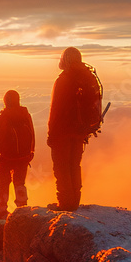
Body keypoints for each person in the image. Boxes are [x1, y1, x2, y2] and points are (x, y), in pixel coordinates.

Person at [46, 47, 103, 211]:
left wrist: (51, 134)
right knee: (74, 166)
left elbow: (56, 109)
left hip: (63, 131)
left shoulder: (64, 79)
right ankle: (74, 202)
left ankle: (65, 203)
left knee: (62, 168)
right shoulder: (88, 77)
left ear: (65, 60)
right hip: (80, 131)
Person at [0, 90, 35, 218]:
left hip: (5, 158)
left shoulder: (2, 117)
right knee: (20, 183)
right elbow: (32, 134)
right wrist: (31, 152)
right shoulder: (26, 115)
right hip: (23, 157)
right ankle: (22, 208)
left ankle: (1, 209)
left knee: (3, 184)